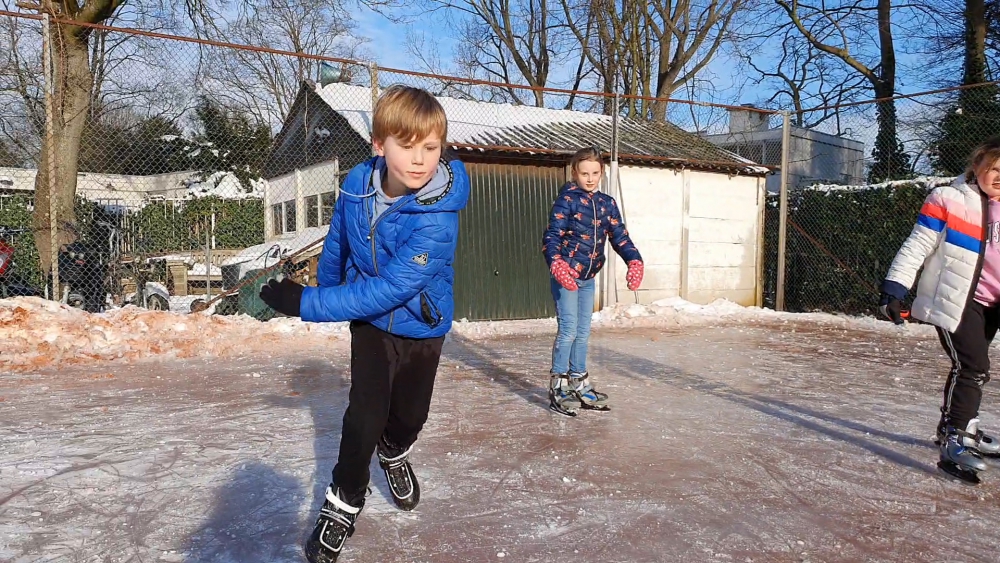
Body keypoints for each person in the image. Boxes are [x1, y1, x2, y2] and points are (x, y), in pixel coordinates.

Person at [259, 84, 469, 561]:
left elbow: (397, 287)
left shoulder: (440, 215)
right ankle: (344, 500)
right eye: (406, 146)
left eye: (430, 148)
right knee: (363, 418)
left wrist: (307, 303)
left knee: (409, 416)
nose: (419, 160)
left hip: (421, 326)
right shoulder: (356, 184)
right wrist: (327, 293)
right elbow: (339, 243)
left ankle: (394, 451)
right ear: (379, 145)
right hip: (370, 324)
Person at [880, 136, 1000, 485]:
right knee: (973, 366)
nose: (998, 176)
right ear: (975, 166)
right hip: (956, 301)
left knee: (968, 367)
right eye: (993, 168)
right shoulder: (948, 199)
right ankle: (956, 439)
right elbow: (918, 244)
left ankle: (959, 426)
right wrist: (895, 288)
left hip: (993, 303)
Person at [541, 146, 644, 417]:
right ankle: (559, 386)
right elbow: (552, 236)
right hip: (567, 276)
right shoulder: (568, 201)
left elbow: (619, 236)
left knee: (584, 331)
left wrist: (634, 260)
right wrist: (556, 263)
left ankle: (578, 381)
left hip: (588, 277)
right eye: (584, 173)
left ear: (601, 173)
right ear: (575, 172)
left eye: (595, 173)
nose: (589, 178)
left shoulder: (607, 203)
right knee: (569, 330)